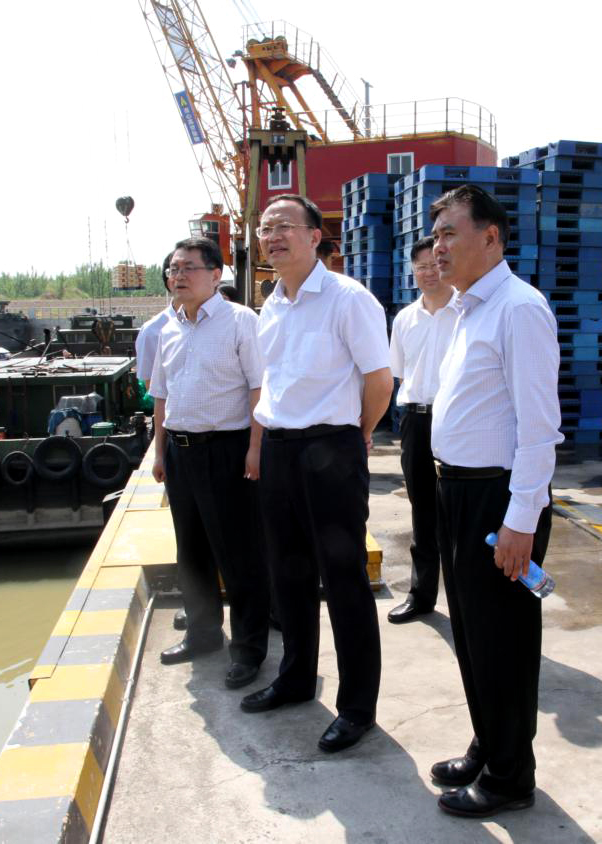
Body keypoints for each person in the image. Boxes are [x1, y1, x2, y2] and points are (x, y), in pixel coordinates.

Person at [427, 185, 563, 818]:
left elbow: (539, 429)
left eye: (450, 233)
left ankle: (511, 777)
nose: (438, 246)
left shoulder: (519, 309)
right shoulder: (466, 309)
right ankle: (489, 744)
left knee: (503, 641)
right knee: (473, 637)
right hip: (457, 490)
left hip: (497, 499)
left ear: (490, 237)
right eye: (435, 235)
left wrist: (520, 522)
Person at [240, 194, 393, 755]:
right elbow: (274, 385)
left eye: (284, 226)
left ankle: (357, 707)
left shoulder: (349, 299)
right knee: (288, 574)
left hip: (332, 448)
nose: (273, 236)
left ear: (314, 236)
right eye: (265, 229)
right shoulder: (272, 306)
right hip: (280, 449)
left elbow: (380, 382)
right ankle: (296, 678)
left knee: (344, 578)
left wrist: (355, 435)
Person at [150, 237, 270, 689]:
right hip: (180, 453)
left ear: (216, 275)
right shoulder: (168, 327)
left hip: (227, 450)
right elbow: (161, 395)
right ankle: (202, 634)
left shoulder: (241, 321)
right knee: (192, 551)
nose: (178, 276)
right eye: (173, 269)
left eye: (188, 268)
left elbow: (259, 389)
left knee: (239, 554)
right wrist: (160, 452)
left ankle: (249, 649)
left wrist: (255, 449)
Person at [386, 235, 457, 624]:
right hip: (415, 419)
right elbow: (398, 373)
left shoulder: (465, 312)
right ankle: (421, 594)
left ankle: (464, 599)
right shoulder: (405, 319)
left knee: (458, 511)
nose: (429, 273)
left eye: (434, 265)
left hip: (456, 419)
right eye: (421, 267)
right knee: (423, 510)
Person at [134, 252, 175, 392]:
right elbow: (152, 388)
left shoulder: (231, 323)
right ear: (169, 281)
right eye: (176, 270)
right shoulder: (152, 331)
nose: (183, 276)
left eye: (192, 269)